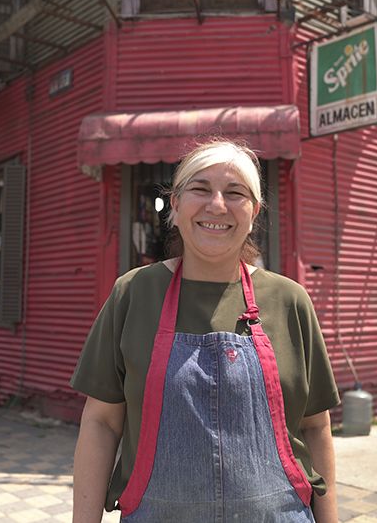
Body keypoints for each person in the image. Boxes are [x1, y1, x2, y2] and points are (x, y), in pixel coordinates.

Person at [70, 140, 340, 522]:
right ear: (175, 206)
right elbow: (101, 423)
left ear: (254, 212)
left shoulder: (289, 300)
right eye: (200, 189)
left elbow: (316, 427)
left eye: (235, 193)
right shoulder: (133, 294)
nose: (217, 205)